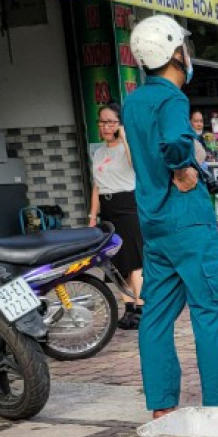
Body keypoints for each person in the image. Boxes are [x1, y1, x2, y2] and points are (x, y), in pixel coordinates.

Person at [123, 15, 218, 418]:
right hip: (187, 219)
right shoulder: (173, 99)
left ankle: (162, 407)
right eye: (184, 48)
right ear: (174, 52)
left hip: (154, 221)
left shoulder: (133, 101)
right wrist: (181, 164)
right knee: (207, 312)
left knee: (155, 315)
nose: (188, 55)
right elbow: (173, 142)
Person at [88, 103, 145, 330]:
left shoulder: (128, 147)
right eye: (102, 122)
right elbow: (96, 186)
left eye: (111, 121)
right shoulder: (98, 152)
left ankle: (141, 307)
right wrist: (93, 215)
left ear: (120, 123)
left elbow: (136, 164)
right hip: (108, 209)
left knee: (134, 261)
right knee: (118, 262)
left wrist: (125, 137)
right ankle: (128, 308)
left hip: (129, 207)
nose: (105, 126)